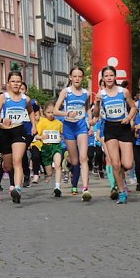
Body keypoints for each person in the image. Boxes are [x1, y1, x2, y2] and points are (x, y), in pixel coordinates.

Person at [93, 66, 137, 204]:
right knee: (115, 164)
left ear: (115, 77)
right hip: (110, 128)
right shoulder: (101, 94)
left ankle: (122, 179)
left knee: (128, 164)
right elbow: (95, 115)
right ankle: (121, 192)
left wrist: (129, 118)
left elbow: (134, 107)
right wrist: (97, 103)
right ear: (103, 78)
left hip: (123, 127)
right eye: (106, 76)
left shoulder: (123, 92)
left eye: (111, 75)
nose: (109, 78)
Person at [0, 71, 36, 204]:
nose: (16, 84)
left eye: (18, 81)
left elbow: (31, 111)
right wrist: (2, 119)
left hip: (19, 131)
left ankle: (17, 189)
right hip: (5, 133)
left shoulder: (25, 99)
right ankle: (12, 182)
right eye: (13, 81)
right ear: (8, 83)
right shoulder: (3, 97)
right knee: (8, 165)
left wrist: (34, 125)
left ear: (21, 83)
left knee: (18, 161)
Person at [53, 66, 93, 201]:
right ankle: (71, 173)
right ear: (70, 77)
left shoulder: (86, 93)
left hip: (81, 126)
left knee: (83, 158)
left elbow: (87, 108)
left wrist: (91, 122)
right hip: (69, 127)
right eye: (74, 76)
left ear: (82, 78)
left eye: (79, 76)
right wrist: (67, 113)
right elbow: (55, 111)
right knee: (74, 160)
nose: (77, 79)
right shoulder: (66, 92)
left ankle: (86, 189)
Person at [34, 101, 65, 197]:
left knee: (57, 165)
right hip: (46, 148)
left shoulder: (59, 123)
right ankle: (49, 175)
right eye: (48, 112)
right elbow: (36, 136)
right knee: (49, 171)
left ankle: (57, 187)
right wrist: (42, 136)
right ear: (44, 112)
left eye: (53, 112)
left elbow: (63, 134)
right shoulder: (42, 122)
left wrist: (61, 138)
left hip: (56, 146)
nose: (51, 114)